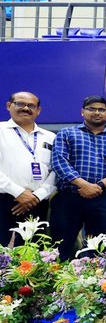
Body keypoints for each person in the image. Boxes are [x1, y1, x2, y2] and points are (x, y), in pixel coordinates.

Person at [51, 95, 106, 260]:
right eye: (91, 109)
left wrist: (98, 186)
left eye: (101, 110)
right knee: (60, 246)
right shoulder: (66, 133)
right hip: (69, 197)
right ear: (82, 112)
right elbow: (59, 162)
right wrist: (83, 185)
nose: (97, 113)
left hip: (103, 198)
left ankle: (95, 276)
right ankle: (56, 274)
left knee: (100, 248)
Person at [0, 92, 56, 246]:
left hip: (37, 202)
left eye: (31, 105)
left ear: (38, 110)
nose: (26, 108)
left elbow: (56, 170)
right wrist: (18, 192)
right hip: (3, 199)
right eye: (20, 104)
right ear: (8, 106)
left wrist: (37, 196)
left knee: (31, 251)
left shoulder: (50, 137)